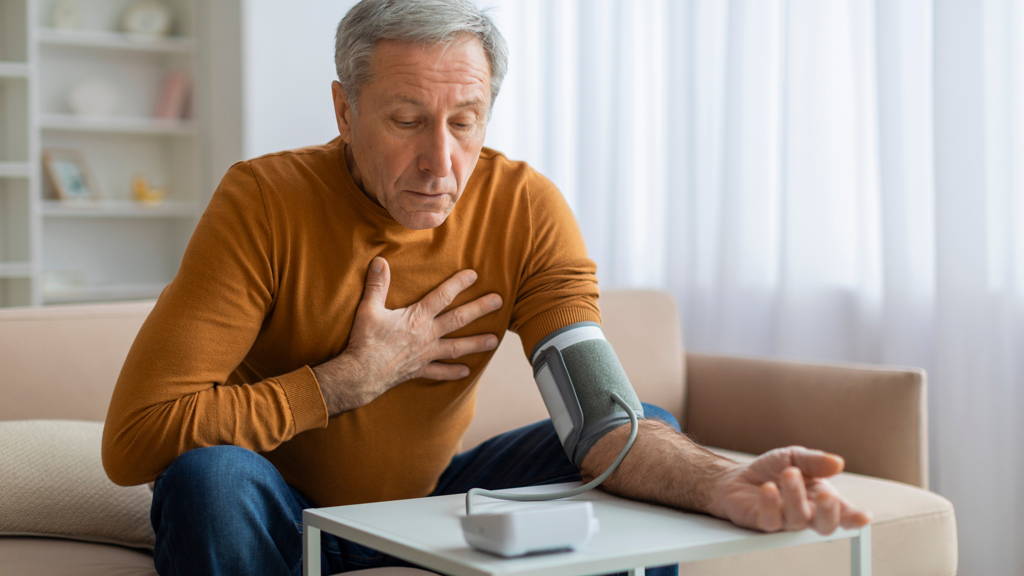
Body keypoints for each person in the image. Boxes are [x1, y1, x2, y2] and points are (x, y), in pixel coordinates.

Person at [101, 1, 871, 574]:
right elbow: (135, 439)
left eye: (465, 121)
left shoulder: (525, 209)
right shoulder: (264, 202)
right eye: (407, 120)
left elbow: (602, 424)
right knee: (209, 477)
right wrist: (342, 382)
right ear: (344, 110)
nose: (441, 162)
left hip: (435, 504)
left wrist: (722, 482)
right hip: (277, 506)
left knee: (648, 431)